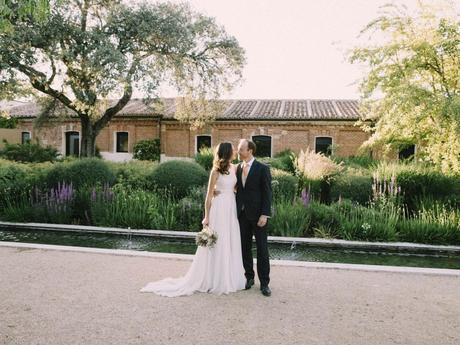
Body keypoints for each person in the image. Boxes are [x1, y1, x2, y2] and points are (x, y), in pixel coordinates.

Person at [140, 142, 246, 297]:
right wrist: (207, 217)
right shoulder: (215, 171)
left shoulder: (235, 168)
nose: (235, 151)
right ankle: (213, 279)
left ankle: (229, 277)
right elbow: (208, 196)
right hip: (219, 208)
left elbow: (235, 187)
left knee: (230, 240)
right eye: (232, 149)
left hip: (230, 207)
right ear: (226, 152)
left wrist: (228, 191)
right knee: (218, 241)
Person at [235, 139, 272, 297]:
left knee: (262, 249)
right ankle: (249, 278)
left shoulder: (262, 168)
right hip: (242, 215)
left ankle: (264, 283)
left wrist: (265, 214)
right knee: (244, 247)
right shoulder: (237, 168)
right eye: (238, 149)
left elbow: (268, 193)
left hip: (259, 216)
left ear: (250, 150)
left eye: (241, 149)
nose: (238, 151)